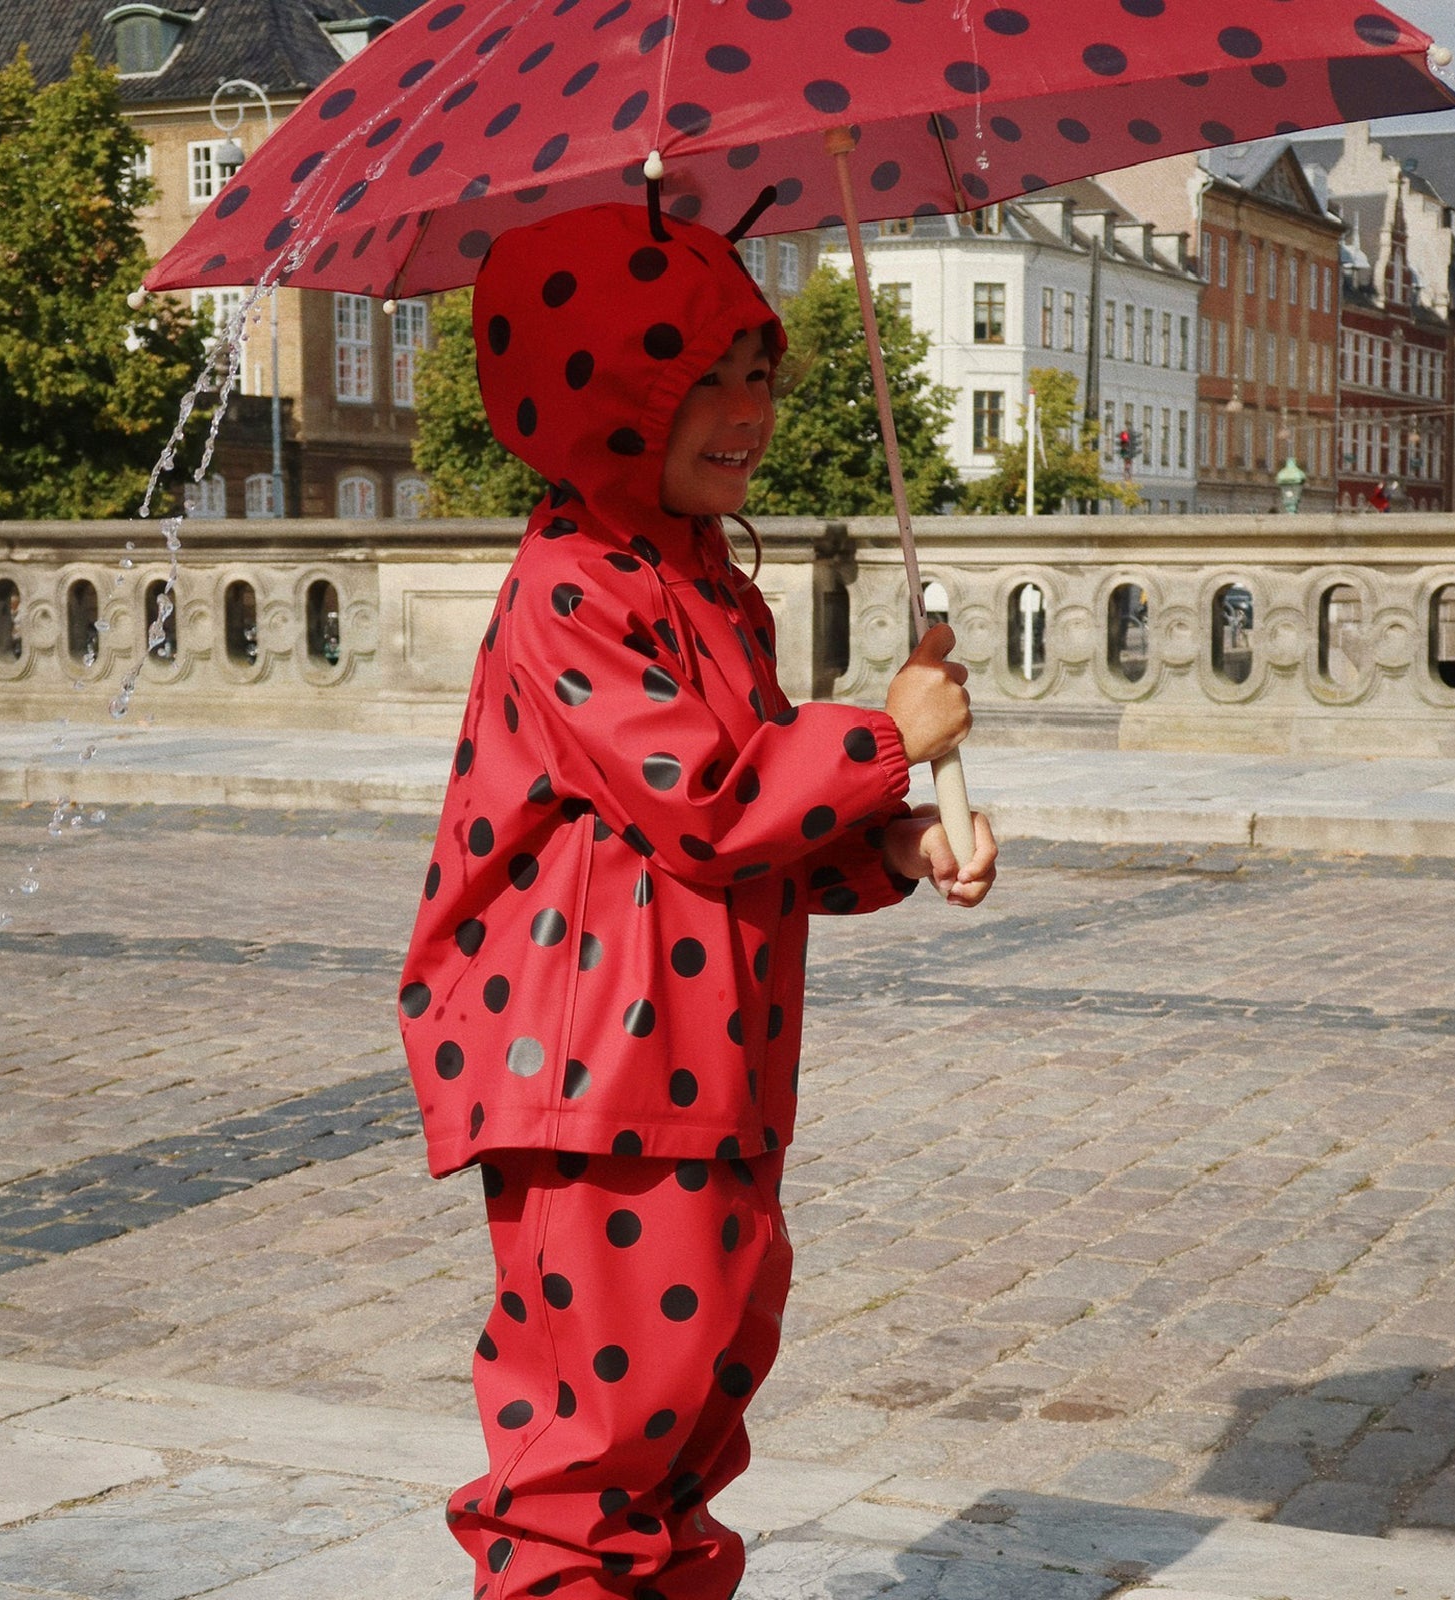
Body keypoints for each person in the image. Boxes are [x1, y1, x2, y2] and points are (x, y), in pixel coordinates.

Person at [398, 200, 996, 1600]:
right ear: (603, 397)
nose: (747, 412)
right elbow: (709, 797)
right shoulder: (570, 585)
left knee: (692, 1405)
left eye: (758, 373)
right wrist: (889, 735)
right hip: (595, 1077)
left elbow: (763, 834)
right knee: (594, 1438)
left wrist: (894, 845)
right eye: (696, 378)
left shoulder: (712, 587)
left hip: (714, 1068)